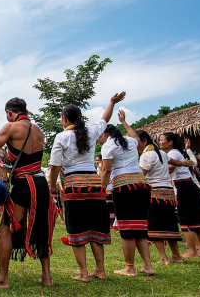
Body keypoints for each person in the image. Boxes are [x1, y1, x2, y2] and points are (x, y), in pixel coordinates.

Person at [48, 92, 126, 282]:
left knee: (77, 229)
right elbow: (104, 120)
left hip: (74, 185)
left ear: (64, 119)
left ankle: (83, 273)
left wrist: (52, 185)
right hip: (94, 183)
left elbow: (55, 165)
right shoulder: (91, 132)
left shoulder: (61, 137)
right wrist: (111, 103)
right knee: (95, 228)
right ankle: (100, 270)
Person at [0, 98, 56, 288]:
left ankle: (2, 279)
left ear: (9, 113)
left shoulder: (10, 127)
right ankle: (47, 277)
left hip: (23, 183)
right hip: (40, 183)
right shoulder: (38, 130)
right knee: (42, 229)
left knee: (6, 227)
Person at [117, 116, 190, 264]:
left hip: (155, 192)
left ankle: (163, 258)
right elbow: (174, 162)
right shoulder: (161, 153)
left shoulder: (146, 156)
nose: (135, 147)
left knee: (155, 225)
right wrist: (183, 163)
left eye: (137, 144)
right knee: (170, 224)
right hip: (168, 192)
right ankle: (176, 255)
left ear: (144, 142)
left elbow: (141, 176)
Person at [99, 120, 153, 277]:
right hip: (142, 185)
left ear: (104, 134)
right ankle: (147, 266)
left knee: (127, 228)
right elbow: (135, 136)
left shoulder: (107, 146)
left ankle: (129, 268)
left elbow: (107, 170)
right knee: (141, 228)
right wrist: (124, 122)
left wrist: (101, 190)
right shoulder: (130, 141)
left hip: (124, 186)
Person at [159, 132, 200, 258]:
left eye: (161, 140)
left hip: (183, 186)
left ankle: (192, 251)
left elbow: (170, 168)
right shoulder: (175, 152)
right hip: (189, 185)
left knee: (186, 219)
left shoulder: (172, 153)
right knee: (195, 219)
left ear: (170, 142)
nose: (160, 142)